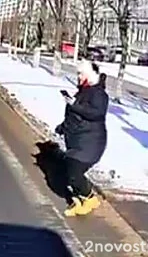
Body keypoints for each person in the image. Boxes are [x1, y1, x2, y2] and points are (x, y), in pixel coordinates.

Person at [55, 60, 108, 217]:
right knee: (70, 170)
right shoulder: (83, 92)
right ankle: (78, 201)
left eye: (81, 74)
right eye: (78, 74)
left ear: (90, 75)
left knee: (75, 172)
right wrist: (62, 127)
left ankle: (90, 199)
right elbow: (75, 117)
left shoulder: (99, 94)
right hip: (78, 141)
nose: (78, 77)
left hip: (91, 143)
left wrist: (74, 104)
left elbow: (96, 113)